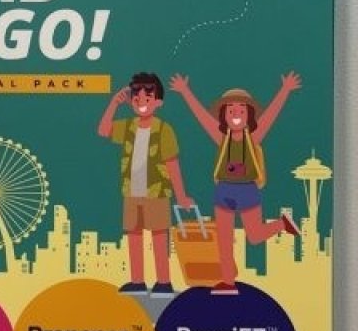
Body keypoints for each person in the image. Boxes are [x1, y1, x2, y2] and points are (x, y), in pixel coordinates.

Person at [170, 71, 302, 295]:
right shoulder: (222, 138)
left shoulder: (254, 137)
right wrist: (185, 91)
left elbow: (270, 115)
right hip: (224, 190)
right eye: (231, 111)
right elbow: (201, 116)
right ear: (224, 116)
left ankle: (282, 224)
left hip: (248, 190)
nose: (236, 114)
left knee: (255, 235)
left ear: (249, 115)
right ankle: (228, 281)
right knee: (223, 240)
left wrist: (285, 90)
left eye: (241, 110)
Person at [97, 71, 194, 294]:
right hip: (131, 192)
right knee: (134, 236)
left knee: (159, 236)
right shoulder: (128, 127)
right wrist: (113, 103)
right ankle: (137, 281)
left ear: (158, 102)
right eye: (136, 98)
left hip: (157, 192)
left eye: (147, 98)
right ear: (131, 101)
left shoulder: (164, 129)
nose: (141, 103)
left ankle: (163, 282)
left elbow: (172, 164)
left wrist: (181, 196)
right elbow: (103, 130)